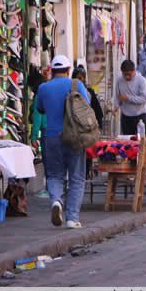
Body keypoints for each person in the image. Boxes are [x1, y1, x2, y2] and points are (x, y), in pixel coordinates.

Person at [36, 55, 90, 229]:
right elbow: (86, 106)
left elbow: (40, 108)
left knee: (54, 175)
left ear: (51, 70)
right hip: (74, 136)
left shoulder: (43, 88)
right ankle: (72, 218)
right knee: (76, 177)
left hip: (52, 136)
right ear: (68, 71)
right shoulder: (76, 85)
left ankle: (56, 202)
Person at [114, 59, 146, 135]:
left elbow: (145, 98)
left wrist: (128, 98)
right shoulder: (119, 80)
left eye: (129, 74)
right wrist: (116, 106)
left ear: (134, 71)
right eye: (124, 74)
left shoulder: (142, 80)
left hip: (140, 116)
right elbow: (117, 96)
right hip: (126, 117)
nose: (127, 77)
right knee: (127, 142)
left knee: (141, 141)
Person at [73, 65, 104, 130]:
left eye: (82, 78)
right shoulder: (70, 92)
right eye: (78, 78)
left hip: (88, 124)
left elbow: (97, 110)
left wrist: (100, 126)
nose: (80, 81)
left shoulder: (89, 92)